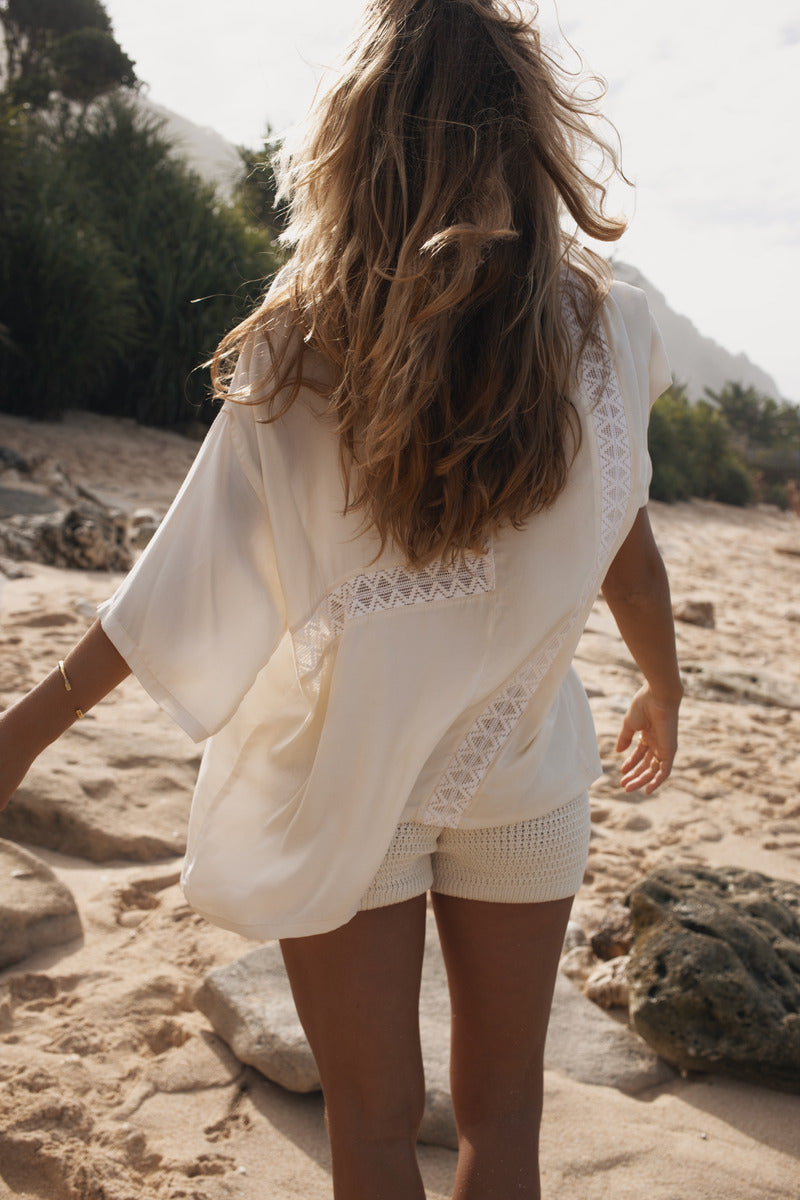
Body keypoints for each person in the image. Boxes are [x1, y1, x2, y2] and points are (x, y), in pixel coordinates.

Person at [0, 1, 682, 1197]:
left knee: (371, 1126)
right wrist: (659, 678)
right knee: (504, 1116)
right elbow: (620, 522)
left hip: (343, 777)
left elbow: (168, 595)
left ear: (358, 148)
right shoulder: (605, 329)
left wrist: (18, 736)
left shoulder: (298, 349)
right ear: (529, 142)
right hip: (519, 767)